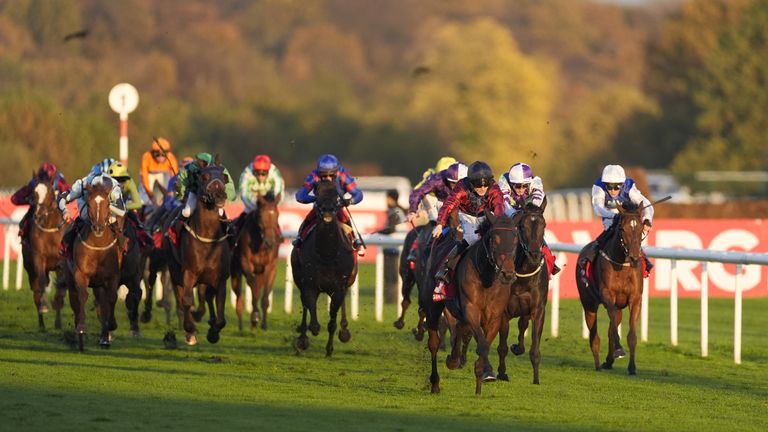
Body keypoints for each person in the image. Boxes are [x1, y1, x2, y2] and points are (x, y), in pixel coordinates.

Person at [431, 161, 505, 301]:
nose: (483, 188)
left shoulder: (494, 188)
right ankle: (444, 271)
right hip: (467, 216)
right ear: (470, 182)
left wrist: (499, 225)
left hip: (486, 215)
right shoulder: (461, 187)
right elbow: (448, 205)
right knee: (472, 239)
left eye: (486, 184)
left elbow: (499, 207)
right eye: (478, 184)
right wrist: (440, 224)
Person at [578, 164, 654, 284]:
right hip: (609, 218)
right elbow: (598, 208)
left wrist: (647, 220)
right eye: (609, 186)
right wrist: (614, 216)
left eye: (617, 186)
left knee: (632, 239)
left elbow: (647, 204)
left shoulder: (629, 187)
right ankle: (587, 263)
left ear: (622, 184)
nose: (613, 190)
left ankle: (645, 264)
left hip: (626, 217)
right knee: (606, 237)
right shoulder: (598, 186)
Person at [292, 154, 364, 255]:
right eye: (324, 176)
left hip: (337, 208)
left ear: (336, 172)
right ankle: (300, 240)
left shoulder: (342, 175)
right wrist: (317, 199)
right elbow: (300, 196)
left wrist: (349, 201)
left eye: (331, 175)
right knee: (308, 220)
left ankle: (355, 241)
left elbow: (358, 194)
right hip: (320, 208)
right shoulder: (314, 176)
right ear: (319, 173)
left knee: (346, 219)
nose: (328, 178)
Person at [497, 162, 559, 275]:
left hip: (527, 209)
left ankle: (550, 261)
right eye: (517, 186)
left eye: (524, 186)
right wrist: (515, 216)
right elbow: (504, 203)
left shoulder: (536, 182)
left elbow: (537, 201)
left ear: (529, 183)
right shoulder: (503, 181)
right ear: (511, 183)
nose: (520, 189)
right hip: (508, 211)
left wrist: (529, 213)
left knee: (534, 233)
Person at [58, 163, 126, 257]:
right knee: (79, 222)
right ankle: (67, 250)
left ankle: (123, 251)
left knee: (116, 223)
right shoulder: (82, 184)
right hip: (87, 205)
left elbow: (122, 211)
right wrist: (65, 211)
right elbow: (62, 198)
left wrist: (106, 205)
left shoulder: (114, 187)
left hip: (108, 208)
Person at [403, 161, 467, 262]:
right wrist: (413, 210)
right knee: (435, 221)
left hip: (461, 204)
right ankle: (421, 249)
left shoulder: (470, 180)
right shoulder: (437, 179)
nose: (455, 187)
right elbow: (418, 192)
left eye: (459, 183)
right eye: (452, 183)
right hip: (440, 202)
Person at [11, 163, 71, 241]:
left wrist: (59, 201)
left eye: (48, 179)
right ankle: (25, 239)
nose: (45, 182)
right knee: (25, 221)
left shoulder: (59, 181)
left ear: (53, 177)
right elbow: (14, 198)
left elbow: (70, 193)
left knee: (71, 223)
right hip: (38, 208)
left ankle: (68, 244)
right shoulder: (34, 182)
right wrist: (29, 201)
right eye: (43, 179)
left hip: (56, 208)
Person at [140, 137, 179, 206]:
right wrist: (150, 195)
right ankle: (144, 206)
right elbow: (144, 176)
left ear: (167, 153)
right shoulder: (147, 156)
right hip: (150, 174)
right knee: (144, 195)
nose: (160, 157)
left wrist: (171, 190)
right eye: (157, 154)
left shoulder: (171, 157)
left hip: (164, 174)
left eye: (163, 154)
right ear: (152, 152)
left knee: (171, 189)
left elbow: (174, 175)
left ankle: (169, 202)